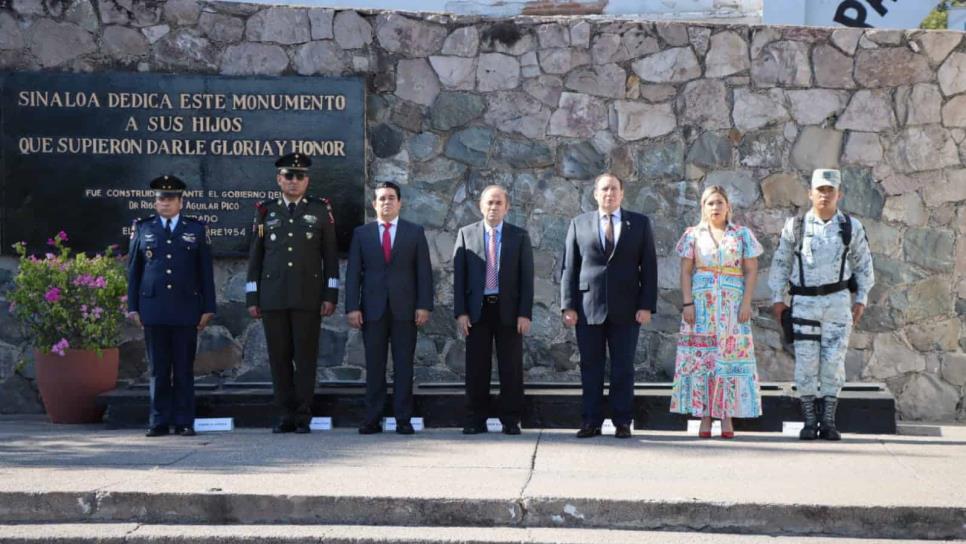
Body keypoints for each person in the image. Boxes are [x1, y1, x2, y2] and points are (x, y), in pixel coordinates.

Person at [768, 169, 874, 441]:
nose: (825, 195)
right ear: (810, 193)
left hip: (838, 305)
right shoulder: (796, 226)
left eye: (830, 190)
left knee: (833, 363)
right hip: (804, 304)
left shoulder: (851, 227)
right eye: (820, 190)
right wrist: (777, 299)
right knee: (805, 364)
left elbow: (863, 265)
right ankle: (809, 420)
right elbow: (781, 263)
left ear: (839, 194)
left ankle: (828, 421)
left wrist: (861, 299)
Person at [245, 153, 340, 434]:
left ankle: (303, 415)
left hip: (308, 297)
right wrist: (253, 297)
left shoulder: (321, 211)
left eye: (300, 176)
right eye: (289, 176)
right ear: (279, 179)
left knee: (306, 357)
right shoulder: (265, 211)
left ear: (307, 180)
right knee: (279, 357)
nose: (294, 181)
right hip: (273, 298)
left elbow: (330, 257)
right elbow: (256, 257)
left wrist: (330, 295)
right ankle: (284, 414)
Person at [560, 173, 657, 439]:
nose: (609, 194)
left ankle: (622, 421)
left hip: (627, 308)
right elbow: (570, 267)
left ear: (622, 194)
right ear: (595, 193)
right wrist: (568, 305)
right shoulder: (578, 224)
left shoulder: (638, 223)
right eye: (604, 189)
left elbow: (648, 267)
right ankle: (590, 420)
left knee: (623, 367)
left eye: (614, 189)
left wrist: (646, 305)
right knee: (590, 366)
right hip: (587, 307)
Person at [670, 186, 763, 439]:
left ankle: (727, 415)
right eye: (710, 203)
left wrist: (746, 303)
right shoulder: (693, 235)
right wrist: (688, 303)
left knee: (729, 357)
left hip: (732, 306)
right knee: (704, 358)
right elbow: (686, 271)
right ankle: (705, 415)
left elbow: (751, 270)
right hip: (702, 306)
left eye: (719, 202)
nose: (715, 207)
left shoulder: (741, 235)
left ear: (728, 207)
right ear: (703, 207)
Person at [127, 175, 216, 438]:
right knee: (159, 370)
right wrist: (133, 306)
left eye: (169, 198)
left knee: (184, 369)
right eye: (160, 199)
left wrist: (207, 307)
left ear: (180, 201)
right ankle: (159, 421)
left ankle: (185, 421)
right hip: (153, 308)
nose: (164, 203)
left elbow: (205, 273)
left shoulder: (196, 229)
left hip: (186, 308)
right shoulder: (143, 228)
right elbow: (135, 271)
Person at [345, 181, 433, 435]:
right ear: (374, 204)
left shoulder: (414, 232)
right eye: (382, 198)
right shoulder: (362, 234)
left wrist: (424, 305)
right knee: (374, 366)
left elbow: (423, 272)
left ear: (400, 202)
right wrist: (352, 307)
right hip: (372, 311)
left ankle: (403, 419)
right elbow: (353, 274)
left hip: (406, 310)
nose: (387, 202)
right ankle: (372, 419)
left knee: (404, 366)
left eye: (391, 198)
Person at [453, 185, 534, 435]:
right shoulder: (466, 234)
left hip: (508, 311)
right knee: (477, 368)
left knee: (511, 367)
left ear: (507, 207)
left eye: (499, 203)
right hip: (477, 312)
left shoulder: (519, 236)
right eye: (489, 202)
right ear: (480, 205)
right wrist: (461, 312)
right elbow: (460, 278)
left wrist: (524, 313)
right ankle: (475, 419)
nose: (493, 207)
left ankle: (510, 419)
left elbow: (526, 278)